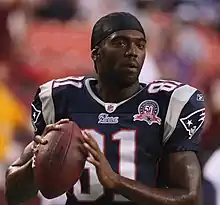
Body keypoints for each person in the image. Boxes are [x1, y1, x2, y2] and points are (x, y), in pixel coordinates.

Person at [5, 12, 205, 205]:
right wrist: (38, 164)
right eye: (120, 43)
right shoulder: (61, 98)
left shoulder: (167, 103)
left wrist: (116, 181)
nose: (132, 51)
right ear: (96, 54)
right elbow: (13, 194)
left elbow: (190, 199)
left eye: (140, 45)